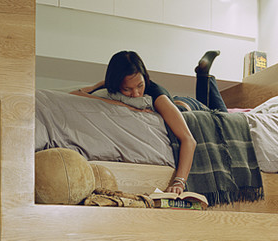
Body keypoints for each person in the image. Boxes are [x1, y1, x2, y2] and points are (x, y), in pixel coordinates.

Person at [71, 50, 227, 194]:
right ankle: (203, 74)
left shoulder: (157, 97)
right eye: (127, 90)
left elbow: (189, 140)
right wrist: (121, 103)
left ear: (144, 77)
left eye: (140, 85)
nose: (136, 93)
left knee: (222, 117)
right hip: (175, 100)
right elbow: (76, 94)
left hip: (186, 107)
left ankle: (203, 75)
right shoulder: (113, 84)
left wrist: (180, 182)